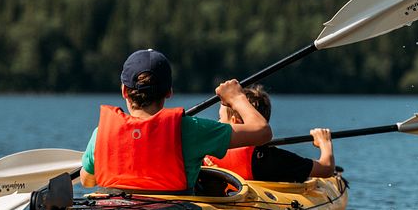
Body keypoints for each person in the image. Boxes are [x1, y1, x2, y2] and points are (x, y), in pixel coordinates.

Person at [79, 49, 272, 193]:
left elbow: (87, 181)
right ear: (169, 92)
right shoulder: (191, 129)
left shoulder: (102, 134)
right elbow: (262, 132)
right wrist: (236, 98)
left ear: (124, 91)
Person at [205, 85, 335, 182]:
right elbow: (326, 168)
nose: (218, 122)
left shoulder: (206, 150)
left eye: (220, 118)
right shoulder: (271, 158)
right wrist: (325, 143)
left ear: (235, 121)